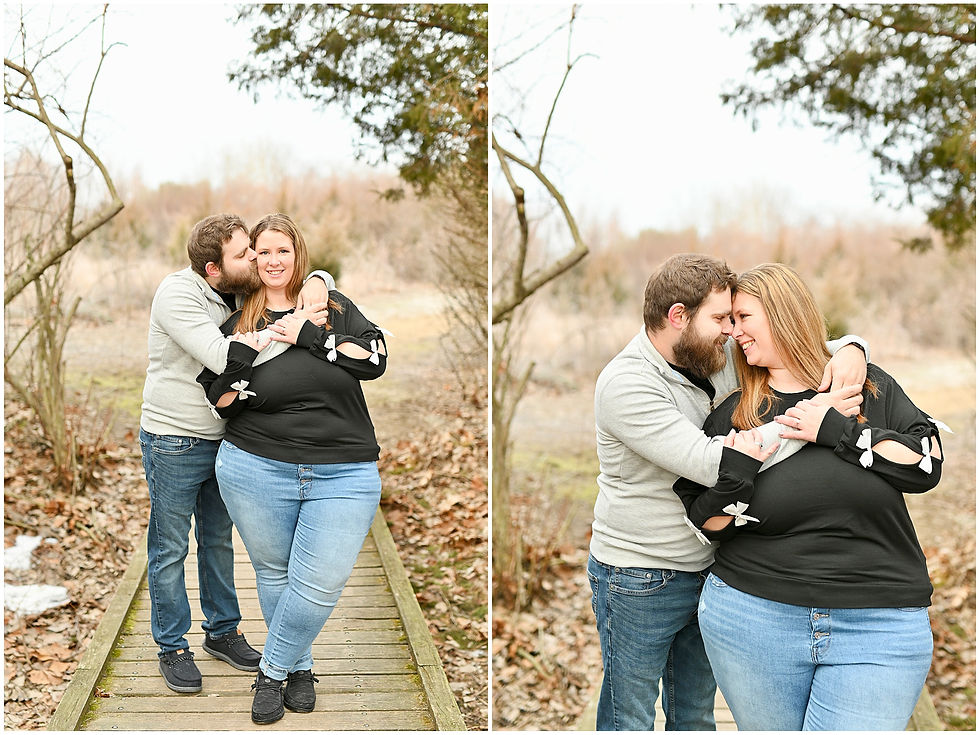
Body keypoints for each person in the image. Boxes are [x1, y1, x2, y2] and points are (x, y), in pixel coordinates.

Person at [588, 253, 870, 731]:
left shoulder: (706, 356)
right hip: (639, 575)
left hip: (711, 570)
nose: (731, 332)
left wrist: (852, 348)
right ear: (679, 317)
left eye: (735, 319)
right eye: (721, 319)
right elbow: (714, 466)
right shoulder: (625, 385)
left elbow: (795, 343)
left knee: (696, 714)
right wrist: (815, 418)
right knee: (628, 716)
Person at [673, 262, 945, 730]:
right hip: (753, 617)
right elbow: (706, 521)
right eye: (730, 322)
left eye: (743, 318)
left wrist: (837, 431)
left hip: (878, 622)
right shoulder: (735, 412)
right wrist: (740, 471)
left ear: (781, 312)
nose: (734, 332)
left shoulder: (862, 386)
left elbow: (926, 464)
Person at [197, 213, 387, 724]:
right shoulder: (239, 322)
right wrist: (243, 369)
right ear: (252, 260)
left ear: (297, 254)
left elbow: (374, 360)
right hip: (255, 467)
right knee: (276, 573)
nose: (273, 260)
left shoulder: (330, 307)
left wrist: (312, 336)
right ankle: (300, 669)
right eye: (262, 252)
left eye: (283, 250)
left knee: (320, 582)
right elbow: (219, 396)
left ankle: (273, 671)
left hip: (344, 469)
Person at [139, 213, 333, 693]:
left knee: (218, 541)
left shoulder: (236, 292)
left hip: (225, 439)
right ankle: (172, 645)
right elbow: (224, 357)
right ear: (213, 268)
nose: (254, 259)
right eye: (245, 253)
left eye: (253, 250)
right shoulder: (178, 295)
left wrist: (318, 281)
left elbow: (290, 272)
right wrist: (284, 331)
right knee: (170, 548)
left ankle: (222, 632)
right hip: (174, 439)